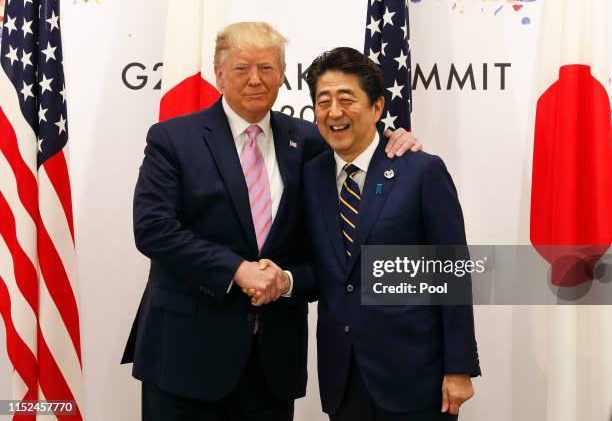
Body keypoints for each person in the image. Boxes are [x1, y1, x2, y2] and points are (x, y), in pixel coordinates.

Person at [121, 22, 420, 421]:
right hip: (184, 356)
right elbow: (153, 229)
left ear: (282, 75)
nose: (255, 80)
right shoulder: (173, 138)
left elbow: (354, 168)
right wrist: (237, 270)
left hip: (272, 364)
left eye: (267, 68)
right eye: (242, 68)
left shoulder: (312, 141)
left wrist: (394, 140)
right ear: (219, 73)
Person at [258, 47, 480, 421]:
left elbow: (452, 272)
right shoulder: (310, 177)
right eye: (323, 101)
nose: (334, 112)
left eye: (347, 100)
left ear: (377, 108)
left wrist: (459, 367)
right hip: (343, 377)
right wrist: (287, 280)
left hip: (416, 376)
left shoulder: (421, 172)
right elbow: (329, 272)